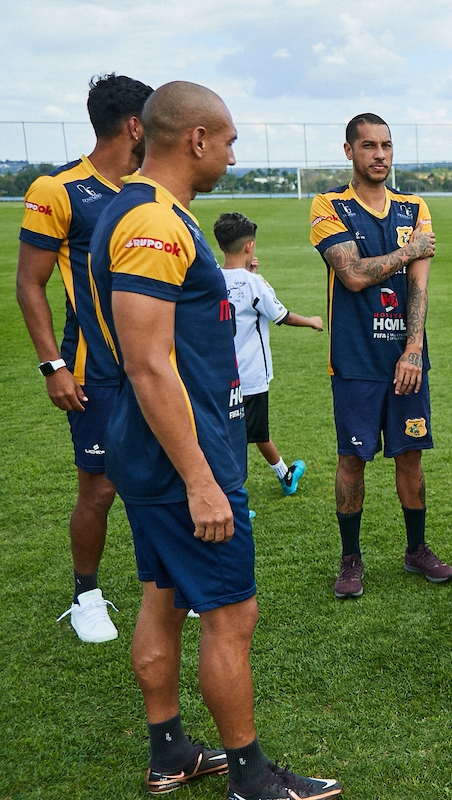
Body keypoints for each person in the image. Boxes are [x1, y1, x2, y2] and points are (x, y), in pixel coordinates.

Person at [86, 81, 341, 799]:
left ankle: (169, 751)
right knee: (231, 615)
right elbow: (147, 361)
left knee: (162, 596)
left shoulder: (157, 214)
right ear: (195, 139)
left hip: (163, 452)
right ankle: (252, 779)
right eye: (227, 140)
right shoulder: (151, 223)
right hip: (180, 459)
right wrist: (201, 476)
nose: (232, 153)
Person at [16, 73, 153, 644]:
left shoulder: (151, 189)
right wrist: (54, 365)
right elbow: (30, 284)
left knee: (162, 477)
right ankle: (86, 595)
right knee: (98, 489)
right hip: (95, 371)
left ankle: (168, 585)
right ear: (136, 126)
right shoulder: (59, 189)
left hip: (156, 365)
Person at [310, 113, 452, 599]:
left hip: (406, 361)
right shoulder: (328, 205)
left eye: (387, 145)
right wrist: (409, 250)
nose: (380, 155)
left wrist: (413, 349)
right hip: (354, 359)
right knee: (353, 459)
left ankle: (416, 549)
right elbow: (351, 275)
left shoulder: (415, 207)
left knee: (410, 456)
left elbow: (420, 285)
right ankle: (351, 558)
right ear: (349, 151)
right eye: (369, 145)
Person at [215, 212, 323, 496]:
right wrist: (312, 321)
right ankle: (232, 497)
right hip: (250, 376)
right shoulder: (254, 284)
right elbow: (280, 315)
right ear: (250, 245)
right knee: (249, 434)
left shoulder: (212, 277)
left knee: (240, 431)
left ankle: (285, 475)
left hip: (221, 374)